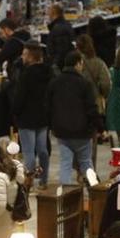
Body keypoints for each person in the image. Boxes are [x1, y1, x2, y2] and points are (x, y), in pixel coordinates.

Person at [48, 51, 100, 184]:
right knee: (86, 164)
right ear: (77, 64)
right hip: (83, 132)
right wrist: (99, 126)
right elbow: (91, 108)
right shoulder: (85, 84)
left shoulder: (55, 83)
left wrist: (52, 126)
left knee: (65, 164)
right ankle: (93, 195)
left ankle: (65, 199)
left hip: (62, 132)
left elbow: (48, 106)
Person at [11, 42, 53, 185]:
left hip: (27, 118)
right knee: (42, 150)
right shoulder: (49, 72)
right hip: (43, 117)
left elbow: (19, 97)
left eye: (24, 54)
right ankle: (43, 180)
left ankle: (28, 182)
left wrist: (15, 112)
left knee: (29, 152)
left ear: (29, 56)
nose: (22, 56)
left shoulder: (26, 74)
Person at [76, 34, 111, 165]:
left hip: (78, 106)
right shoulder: (99, 63)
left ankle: (79, 167)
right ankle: (90, 168)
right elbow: (106, 83)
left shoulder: (76, 63)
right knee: (93, 138)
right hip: (95, 104)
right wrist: (102, 94)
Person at [46, 2, 76, 70]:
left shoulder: (58, 29)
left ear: (53, 12)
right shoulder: (65, 24)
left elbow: (61, 50)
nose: (48, 13)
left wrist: (55, 65)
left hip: (61, 67)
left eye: (49, 10)